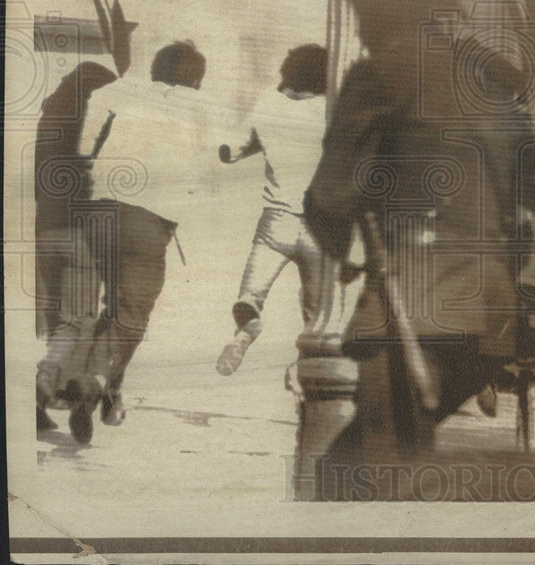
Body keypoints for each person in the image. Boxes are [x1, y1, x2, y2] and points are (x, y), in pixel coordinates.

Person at [302, 0, 535, 497]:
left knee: (379, 469)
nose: (358, 19)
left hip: (414, 301)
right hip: (493, 315)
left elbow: (330, 197)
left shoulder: (378, 72)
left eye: (362, 3)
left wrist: (341, 247)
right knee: (363, 464)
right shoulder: (488, 76)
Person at [57, 41, 211, 443]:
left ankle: (107, 391)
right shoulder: (198, 107)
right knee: (131, 316)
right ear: (195, 77)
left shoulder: (124, 91)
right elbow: (203, 174)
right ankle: (92, 384)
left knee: (113, 310)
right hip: (147, 221)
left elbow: (93, 116)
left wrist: (90, 153)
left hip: (99, 212)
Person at [214, 44, 330, 375]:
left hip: (275, 223)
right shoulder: (331, 110)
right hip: (320, 229)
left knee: (249, 297)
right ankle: (310, 375)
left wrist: (232, 152)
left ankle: (245, 331)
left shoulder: (268, 105)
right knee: (316, 316)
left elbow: (234, 149)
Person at [35, 62, 118, 431]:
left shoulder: (52, 114)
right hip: (82, 229)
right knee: (80, 321)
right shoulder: (94, 120)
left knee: (63, 319)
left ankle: (61, 394)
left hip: (47, 227)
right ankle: (54, 388)